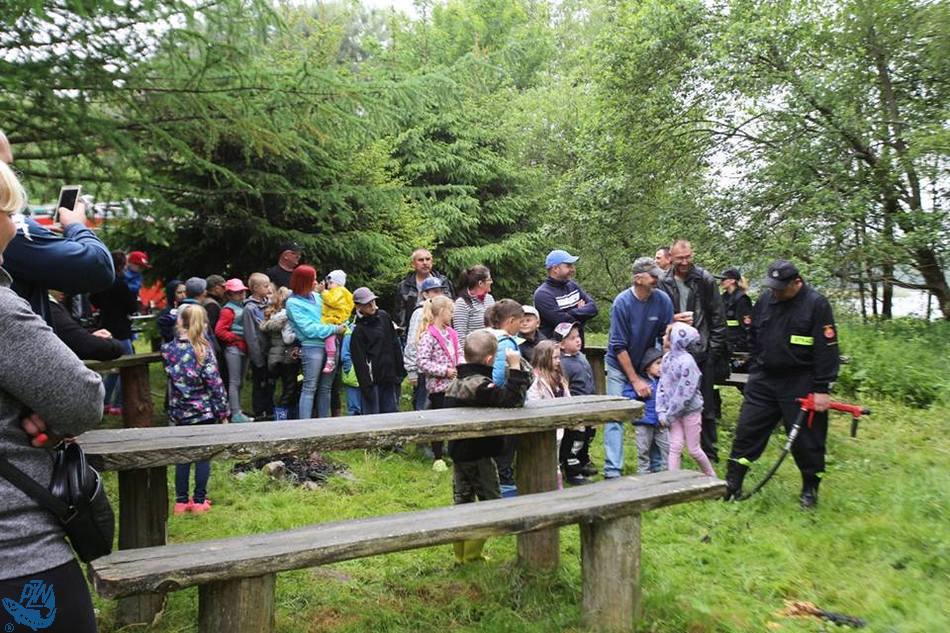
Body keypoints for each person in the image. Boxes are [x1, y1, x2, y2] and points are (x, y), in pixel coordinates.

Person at [0, 158, 105, 633]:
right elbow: (82, 399)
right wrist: (52, 411)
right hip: (17, 555)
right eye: (10, 212)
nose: (16, 226)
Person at [724, 260, 840, 509]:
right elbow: (753, 335)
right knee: (747, 431)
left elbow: (827, 349)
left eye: (780, 288)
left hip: (800, 381)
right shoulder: (766, 300)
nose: (775, 292)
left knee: (807, 440)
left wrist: (822, 388)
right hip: (764, 379)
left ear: (797, 282)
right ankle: (732, 484)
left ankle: (810, 489)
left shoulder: (816, 304)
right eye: (772, 287)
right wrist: (756, 366)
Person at [0, 132, 115, 326]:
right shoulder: (17, 230)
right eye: (6, 167)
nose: (13, 178)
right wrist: (76, 226)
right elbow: (99, 267)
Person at [444, 330, 529, 564]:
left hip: (458, 452)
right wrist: (515, 367)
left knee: (462, 501)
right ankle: (472, 556)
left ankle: (460, 556)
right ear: (490, 359)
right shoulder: (480, 387)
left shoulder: (456, 383)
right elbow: (512, 400)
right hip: (479, 453)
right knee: (491, 504)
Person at [603, 257, 674, 479]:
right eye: (652, 276)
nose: (656, 280)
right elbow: (618, 346)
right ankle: (612, 471)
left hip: (648, 365)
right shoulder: (622, 303)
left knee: (654, 413)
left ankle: (656, 468)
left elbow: (666, 336)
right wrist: (634, 380)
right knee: (615, 416)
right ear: (638, 279)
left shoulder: (663, 300)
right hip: (619, 365)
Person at [658, 239, 728, 463]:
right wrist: (672, 320)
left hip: (702, 350)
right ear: (671, 257)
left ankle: (709, 452)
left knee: (705, 402)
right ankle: (674, 449)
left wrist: (712, 351)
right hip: (674, 350)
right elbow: (659, 316)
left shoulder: (704, 279)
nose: (685, 262)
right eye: (680, 258)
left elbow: (718, 317)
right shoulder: (664, 281)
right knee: (672, 396)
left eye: (688, 257)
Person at [163, 305, 230, 515]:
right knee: (202, 457)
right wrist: (223, 412)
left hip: (179, 411)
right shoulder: (203, 350)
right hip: (203, 412)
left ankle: (181, 502)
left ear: (180, 322)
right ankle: (199, 500)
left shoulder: (168, 350)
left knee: (183, 457)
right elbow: (215, 384)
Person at [657, 323, 717, 477]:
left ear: (676, 339)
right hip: (673, 412)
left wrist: (669, 414)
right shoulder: (666, 359)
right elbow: (662, 385)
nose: (663, 338)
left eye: (667, 336)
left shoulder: (687, 362)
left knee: (693, 449)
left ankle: (712, 476)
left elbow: (685, 393)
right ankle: (673, 480)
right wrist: (662, 410)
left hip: (690, 411)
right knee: (675, 446)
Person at [286, 266, 345, 419]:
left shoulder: (318, 297)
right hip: (312, 347)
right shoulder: (293, 303)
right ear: (303, 282)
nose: (316, 282)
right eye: (312, 279)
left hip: (331, 346)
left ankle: (324, 424)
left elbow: (334, 312)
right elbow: (309, 329)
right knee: (309, 388)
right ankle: (305, 425)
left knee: (326, 388)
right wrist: (334, 328)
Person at [415, 295, 462, 471]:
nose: (452, 315)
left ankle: (455, 454)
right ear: (442, 311)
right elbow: (422, 362)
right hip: (438, 388)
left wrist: (461, 367)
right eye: (451, 311)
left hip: (456, 386)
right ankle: (438, 457)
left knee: (456, 421)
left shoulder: (452, 333)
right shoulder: (428, 336)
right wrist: (444, 371)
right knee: (440, 422)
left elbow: (459, 353)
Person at [90, 250, 138, 416]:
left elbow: (93, 300)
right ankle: (118, 403)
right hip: (121, 329)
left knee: (112, 368)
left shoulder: (102, 283)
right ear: (122, 265)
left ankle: (104, 402)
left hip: (106, 327)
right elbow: (132, 306)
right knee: (127, 366)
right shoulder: (120, 284)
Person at [552, 321, 597, 484]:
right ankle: (572, 471)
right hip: (575, 409)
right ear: (561, 345)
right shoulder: (563, 364)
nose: (578, 340)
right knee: (574, 441)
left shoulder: (581, 357)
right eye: (572, 338)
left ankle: (582, 462)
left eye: (578, 336)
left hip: (588, 406)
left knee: (587, 437)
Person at [350, 287, 405, 415]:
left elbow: (394, 343)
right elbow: (359, 362)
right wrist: (366, 386)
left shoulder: (384, 316)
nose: (372, 306)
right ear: (358, 307)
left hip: (390, 377)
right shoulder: (358, 331)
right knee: (373, 417)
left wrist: (400, 371)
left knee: (391, 415)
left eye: (373, 301)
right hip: (372, 382)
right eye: (367, 303)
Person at [525, 339, 571, 488]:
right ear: (544, 358)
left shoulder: (559, 378)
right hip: (543, 428)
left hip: (558, 427)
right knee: (542, 461)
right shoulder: (536, 381)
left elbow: (567, 398)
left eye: (559, 357)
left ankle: (556, 486)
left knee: (555, 460)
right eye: (555, 358)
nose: (558, 361)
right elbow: (533, 403)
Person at [403, 277, 449, 413]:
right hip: (423, 370)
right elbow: (412, 342)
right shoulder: (419, 313)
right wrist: (412, 371)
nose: (439, 295)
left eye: (440, 291)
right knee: (422, 407)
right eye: (435, 291)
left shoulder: (443, 312)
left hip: (440, 369)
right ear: (425, 294)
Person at [533, 249, 598, 343]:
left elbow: (593, 308)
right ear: (555, 269)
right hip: (555, 349)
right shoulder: (543, 294)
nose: (573, 269)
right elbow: (563, 323)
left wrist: (570, 312)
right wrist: (582, 313)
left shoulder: (573, 286)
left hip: (577, 348)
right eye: (568, 266)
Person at [623, 347, 668, 474]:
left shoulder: (665, 381)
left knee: (667, 449)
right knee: (643, 450)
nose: (661, 366)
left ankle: (668, 474)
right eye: (658, 363)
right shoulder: (639, 382)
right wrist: (638, 394)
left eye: (663, 363)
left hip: (662, 422)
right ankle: (644, 475)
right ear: (647, 367)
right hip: (643, 422)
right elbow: (626, 396)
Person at [214, 278, 253, 423]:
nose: (241, 294)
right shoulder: (228, 310)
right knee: (234, 381)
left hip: (244, 347)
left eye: (242, 291)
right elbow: (219, 331)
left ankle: (237, 410)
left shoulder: (243, 306)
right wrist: (235, 337)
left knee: (240, 381)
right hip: (234, 348)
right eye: (237, 292)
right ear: (229, 294)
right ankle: (235, 413)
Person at [48, 289, 124, 361]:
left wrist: (89, 334)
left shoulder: (49, 306)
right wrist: (115, 345)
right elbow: (82, 343)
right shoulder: (50, 307)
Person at [394, 248, 455, 337]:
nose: (425, 263)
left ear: (432, 262)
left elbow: (451, 308)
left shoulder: (443, 282)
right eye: (421, 260)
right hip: (415, 331)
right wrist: (402, 335)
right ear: (413, 264)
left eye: (428, 259)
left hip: (442, 331)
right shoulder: (404, 286)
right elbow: (400, 315)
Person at [261, 286, 300, 420]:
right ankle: (281, 417)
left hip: (274, 357)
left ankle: (280, 414)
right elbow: (288, 339)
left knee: (280, 388)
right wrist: (300, 333)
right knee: (289, 388)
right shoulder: (286, 317)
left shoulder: (274, 316)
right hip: (286, 357)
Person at [243, 272, 274, 420]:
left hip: (271, 351)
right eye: (265, 286)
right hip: (259, 353)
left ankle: (270, 409)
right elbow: (251, 335)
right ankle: (259, 412)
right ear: (255, 288)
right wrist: (257, 358)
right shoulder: (249, 308)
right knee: (260, 383)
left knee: (270, 382)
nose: (269, 289)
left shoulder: (269, 303)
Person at [321, 269, 354, 375]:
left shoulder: (339, 291)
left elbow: (332, 301)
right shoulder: (341, 292)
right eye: (328, 283)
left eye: (331, 283)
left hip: (334, 320)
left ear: (339, 283)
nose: (328, 286)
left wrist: (323, 292)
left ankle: (330, 360)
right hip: (335, 319)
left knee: (329, 339)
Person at [453, 265, 495, 347]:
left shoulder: (489, 298)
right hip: (473, 351)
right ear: (480, 283)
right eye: (489, 279)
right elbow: (460, 336)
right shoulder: (462, 303)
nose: (492, 282)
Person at [340, 326, 362, 416]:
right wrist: (349, 369)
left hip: (365, 373)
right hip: (353, 373)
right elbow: (345, 355)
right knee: (354, 409)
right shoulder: (350, 332)